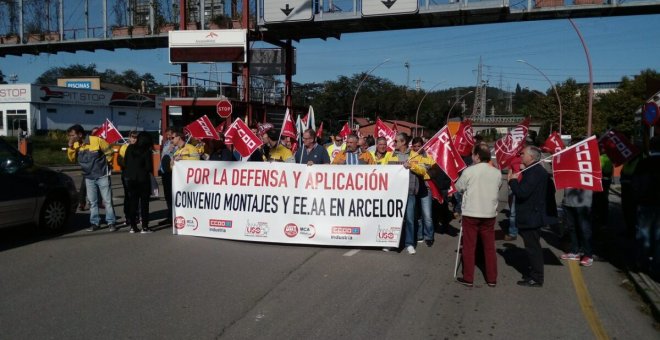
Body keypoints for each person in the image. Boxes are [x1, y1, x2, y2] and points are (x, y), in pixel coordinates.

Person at [454, 144, 502, 287]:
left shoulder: (470, 171)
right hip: (489, 213)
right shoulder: (496, 172)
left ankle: (468, 277)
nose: (472, 157)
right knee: (489, 247)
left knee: (469, 246)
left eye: (473, 154)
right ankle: (492, 278)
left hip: (471, 212)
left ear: (477, 156)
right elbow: (498, 186)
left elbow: (458, 187)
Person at [508, 145, 550, 287]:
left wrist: (513, 181)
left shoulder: (534, 172)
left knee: (533, 249)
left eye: (523, 154)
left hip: (531, 216)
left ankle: (537, 278)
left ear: (531, 157)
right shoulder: (533, 170)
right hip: (532, 214)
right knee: (532, 247)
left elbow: (522, 193)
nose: (521, 155)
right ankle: (535, 273)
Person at [66, 124, 117, 232]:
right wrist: (70, 147)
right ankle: (95, 223)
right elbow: (71, 159)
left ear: (80, 134)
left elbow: (109, 151)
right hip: (88, 177)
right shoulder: (75, 145)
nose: (71, 137)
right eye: (70, 135)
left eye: (72, 135)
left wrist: (108, 163)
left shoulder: (96, 140)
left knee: (107, 201)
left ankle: (111, 222)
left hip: (102, 175)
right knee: (92, 202)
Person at [386, 132, 426, 254]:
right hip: (394, 193)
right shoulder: (390, 155)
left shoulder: (415, 155)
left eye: (396, 141)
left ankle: (409, 243)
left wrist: (411, 166)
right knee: (393, 219)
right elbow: (383, 170)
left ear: (403, 142)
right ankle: (392, 243)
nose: (394, 143)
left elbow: (423, 170)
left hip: (409, 191)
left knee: (409, 219)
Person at [632, 135, 660, 278]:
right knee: (658, 237)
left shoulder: (643, 163)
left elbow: (635, 185)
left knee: (644, 234)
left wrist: (636, 200)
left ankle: (641, 265)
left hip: (645, 204)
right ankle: (656, 267)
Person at [123, 132, 155, 233]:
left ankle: (133, 226)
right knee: (144, 204)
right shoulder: (146, 150)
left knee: (133, 202)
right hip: (143, 179)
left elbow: (125, 162)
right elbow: (149, 167)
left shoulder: (130, 148)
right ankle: (144, 227)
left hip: (131, 178)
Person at [410, 137, 436, 247]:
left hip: (426, 187)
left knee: (427, 214)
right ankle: (419, 235)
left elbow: (432, 169)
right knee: (417, 214)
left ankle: (429, 236)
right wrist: (422, 168)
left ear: (423, 145)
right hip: (413, 187)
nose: (416, 148)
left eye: (419, 146)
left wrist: (422, 168)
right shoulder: (409, 155)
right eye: (414, 146)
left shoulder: (429, 156)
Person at [560, 188, 594, 266]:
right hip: (568, 200)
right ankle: (575, 252)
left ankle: (588, 255)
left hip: (583, 201)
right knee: (571, 227)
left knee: (584, 229)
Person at [118, 131, 139, 227]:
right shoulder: (124, 147)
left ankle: (136, 216)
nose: (134, 139)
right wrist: (129, 164)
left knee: (136, 196)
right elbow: (119, 160)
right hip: (127, 175)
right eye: (132, 137)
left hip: (137, 176)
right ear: (129, 138)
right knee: (128, 196)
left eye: (135, 137)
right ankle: (128, 217)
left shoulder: (140, 148)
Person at [158, 127, 178, 225]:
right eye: (167, 135)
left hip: (171, 172)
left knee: (171, 194)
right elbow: (162, 156)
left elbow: (174, 156)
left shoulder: (176, 145)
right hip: (164, 171)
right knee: (167, 194)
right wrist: (159, 168)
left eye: (170, 135)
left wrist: (171, 150)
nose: (169, 137)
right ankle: (169, 215)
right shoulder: (166, 143)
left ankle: (173, 216)